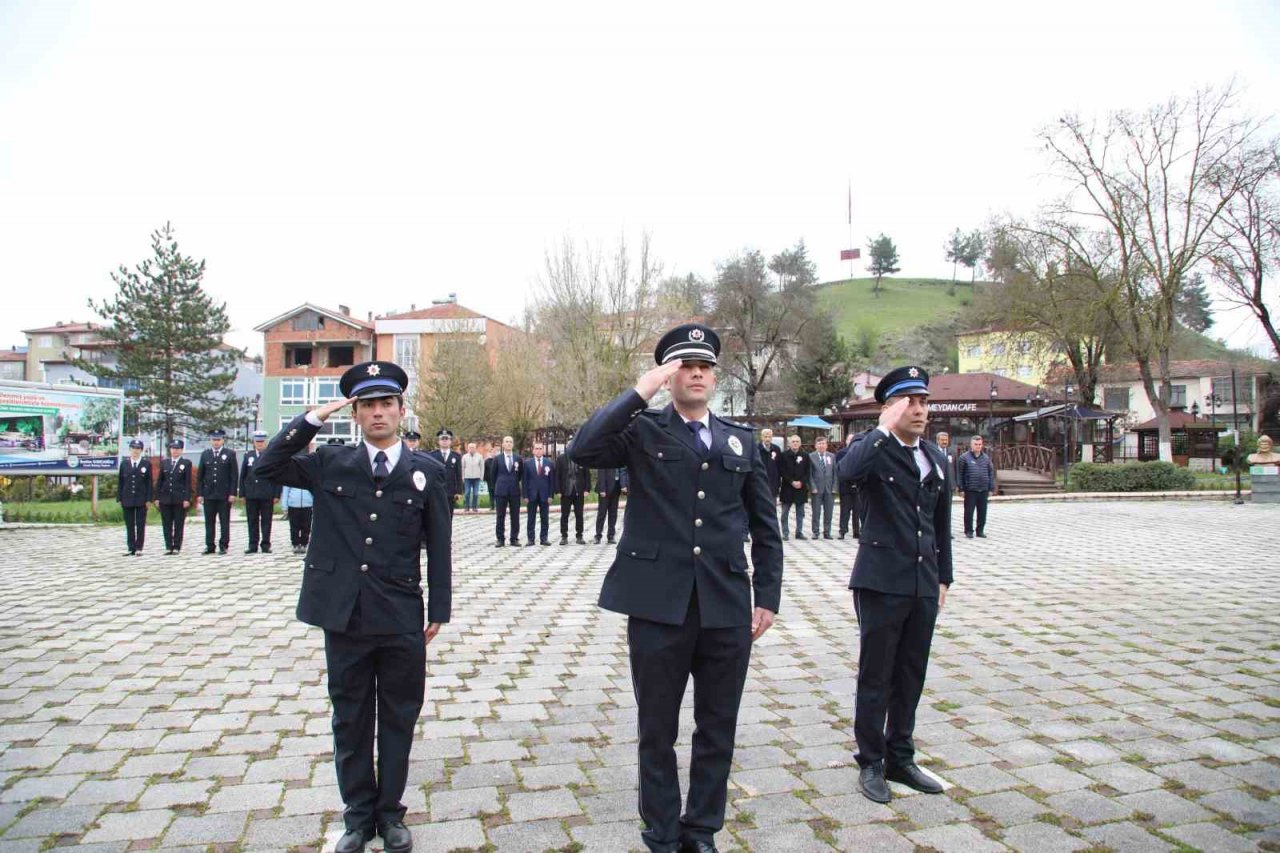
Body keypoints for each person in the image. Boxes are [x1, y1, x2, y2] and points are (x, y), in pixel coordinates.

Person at [570, 322, 783, 853]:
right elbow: (584, 448)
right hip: (657, 603)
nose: (696, 374)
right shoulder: (643, 430)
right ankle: (661, 831)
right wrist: (640, 390)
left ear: (715, 375)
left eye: (704, 366)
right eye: (684, 366)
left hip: (726, 604)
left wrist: (768, 597)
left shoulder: (742, 440)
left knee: (718, 726)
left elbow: (765, 526)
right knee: (657, 728)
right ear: (670, 376)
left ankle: (702, 828)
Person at [254, 360, 451, 853]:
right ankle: (357, 818)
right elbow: (268, 465)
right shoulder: (330, 464)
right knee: (350, 719)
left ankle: (391, 814)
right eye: (368, 405)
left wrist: (439, 609)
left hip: (402, 614)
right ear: (356, 414)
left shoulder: (427, 470)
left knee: (399, 716)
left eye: (387, 403)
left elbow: (441, 545)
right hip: (344, 614)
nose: (378, 413)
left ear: (401, 410)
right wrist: (313, 418)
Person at [837, 365, 952, 805]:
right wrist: (882, 430)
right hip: (881, 580)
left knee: (911, 671)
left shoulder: (936, 458)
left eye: (924, 402)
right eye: (910, 402)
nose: (920, 410)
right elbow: (846, 474)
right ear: (890, 407)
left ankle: (900, 756)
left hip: (923, 581)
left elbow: (941, 525)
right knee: (877, 673)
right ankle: (870, 760)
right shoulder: (873, 449)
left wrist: (944, 576)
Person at [240, 430, 282, 553]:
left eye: (262, 441)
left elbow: (277, 476)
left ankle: (265, 545)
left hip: (266, 493)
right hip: (251, 494)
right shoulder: (248, 456)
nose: (259, 444)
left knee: (266, 521)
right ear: (254, 442)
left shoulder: (271, 455)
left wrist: (276, 494)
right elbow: (243, 476)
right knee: (252, 520)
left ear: (266, 442)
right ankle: (252, 545)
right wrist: (242, 493)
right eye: (257, 441)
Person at [197, 428, 238, 554]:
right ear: (210, 441)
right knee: (209, 522)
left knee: (224, 521)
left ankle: (223, 545)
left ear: (223, 440)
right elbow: (200, 476)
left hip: (224, 494)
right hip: (209, 494)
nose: (216, 442)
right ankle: (210, 545)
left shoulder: (230, 454)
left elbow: (233, 476)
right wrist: (200, 493)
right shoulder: (205, 454)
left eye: (218, 440)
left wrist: (232, 493)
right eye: (214, 440)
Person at [155, 439, 193, 554]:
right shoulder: (165, 463)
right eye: (173, 448)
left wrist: (187, 498)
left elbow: (187, 482)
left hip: (179, 498)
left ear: (181, 450)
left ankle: (176, 546)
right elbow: (160, 481)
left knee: (178, 523)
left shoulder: (186, 463)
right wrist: (157, 497)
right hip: (165, 498)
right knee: (166, 523)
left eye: (177, 449)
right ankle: (168, 546)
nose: (175, 451)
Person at [117, 438, 152, 556]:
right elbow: (121, 482)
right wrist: (119, 498)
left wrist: (148, 499)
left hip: (141, 498)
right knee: (129, 524)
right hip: (127, 498)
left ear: (141, 450)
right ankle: (131, 547)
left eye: (138, 448)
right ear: (130, 449)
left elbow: (149, 483)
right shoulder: (124, 464)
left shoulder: (146, 464)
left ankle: (139, 547)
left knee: (140, 524)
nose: (135, 451)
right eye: (133, 448)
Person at [957, 435, 997, 539]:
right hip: (970, 489)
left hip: (983, 489)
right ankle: (968, 531)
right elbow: (960, 474)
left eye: (980, 444)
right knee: (969, 512)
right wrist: (961, 488)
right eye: (976, 444)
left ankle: (980, 531)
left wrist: (991, 488)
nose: (978, 446)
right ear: (971, 444)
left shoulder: (986, 458)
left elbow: (991, 473)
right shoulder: (964, 458)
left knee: (982, 511)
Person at [556, 439, 592, 544]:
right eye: (569, 444)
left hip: (579, 490)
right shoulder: (560, 459)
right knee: (564, 515)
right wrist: (558, 490)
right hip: (566, 491)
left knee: (579, 514)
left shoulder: (581, 458)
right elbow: (557, 475)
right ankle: (564, 536)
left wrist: (587, 489)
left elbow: (587, 475)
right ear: (566, 446)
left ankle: (579, 536)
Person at [522, 440, 556, 546]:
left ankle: (544, 538)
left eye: (540, 448)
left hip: (545, 495)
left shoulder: (549, 463)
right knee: (531, 518)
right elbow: (524, 481)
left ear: (543, 450)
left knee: (544, 518)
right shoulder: (527, 463)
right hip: (531, 495)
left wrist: (551, 495)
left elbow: (552, 481)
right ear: (533, 450)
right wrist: (525, 495)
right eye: (536, 448)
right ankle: (530, 539)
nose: (538, 450)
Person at [490, 436, 522, 547]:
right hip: (501, 492)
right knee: (500, 516)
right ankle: (500, 539)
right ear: (503, 444)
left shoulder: (518, 458)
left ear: (513, 444)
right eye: (506, 442)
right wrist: (496, 489)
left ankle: (514, 539)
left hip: (514, 491)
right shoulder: (497, 459)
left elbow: (520, 475)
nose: (508, 443)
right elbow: (493, 476)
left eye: (510, 442)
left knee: (515, 516)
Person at [777, 435, 810, 540]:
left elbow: (808, 471)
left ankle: (799, 532)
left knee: (800, 513)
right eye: (793, 441)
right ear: (789, 444)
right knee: (784, 513)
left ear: (800, 443)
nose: (795, 443)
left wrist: (801, 482)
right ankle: (785, 533)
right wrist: (791, 481)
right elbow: (781, 470)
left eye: (797, 441)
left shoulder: (805, 455)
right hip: (787, 487)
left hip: (801, 487)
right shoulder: (783, 455)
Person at [426, 429, 463, 516]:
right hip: (436, 490)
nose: (445, 441)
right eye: (442, 439)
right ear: (439, 441)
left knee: (449, 515)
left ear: (450, 441)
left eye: (447, 439)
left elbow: (458, 474)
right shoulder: (432, 455)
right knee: (436, 515)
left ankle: (448, 530)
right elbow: (430, 474)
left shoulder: (456, 456)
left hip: (450, 491)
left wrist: (459, 491)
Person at [808, 435, 836, 540]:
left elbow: (835, 473)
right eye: (819, 444)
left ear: (826, 445)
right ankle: (815, 532)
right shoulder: (811, 456)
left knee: (829, 512)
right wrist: (812, 487)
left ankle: (827, 532)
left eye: (823, 443)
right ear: (815, 445)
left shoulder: (832, 456)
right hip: (817, 489)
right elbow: (809, 474)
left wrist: (835, 487)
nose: (821, 445)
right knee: (816, 512)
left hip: (829, 488)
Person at [835, 433, 861, 540]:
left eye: (853, 439)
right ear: (846, 441)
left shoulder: (860, 452)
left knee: (857, 511)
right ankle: (842, 531)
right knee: (845, 510)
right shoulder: (841, 453)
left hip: (858, 486)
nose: (851, 441)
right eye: (849, 439)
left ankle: (857, 531)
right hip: (845, 486)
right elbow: (839, 469)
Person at [281, 472, 314, 555]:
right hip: (293, 505)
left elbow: (314, 490)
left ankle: (304, 544)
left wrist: (315, 503)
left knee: (306, 526)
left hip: (307, 504)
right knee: (294, 526)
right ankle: (295, 544)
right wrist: (284, 506)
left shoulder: (309, 475)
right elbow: (285, 492)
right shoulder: (290, 476)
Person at [594, 465, 628, 544]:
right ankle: (598, 536)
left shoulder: (619, 457)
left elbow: (622, 471)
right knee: (602, 513)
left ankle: (611, 536)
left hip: (616, 488)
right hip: (605, 489)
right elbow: (601, 473)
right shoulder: (605, 456)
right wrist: (602, 489)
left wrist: (623, 485)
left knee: (613, 513)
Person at [757, 428, 781, 502]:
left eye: (769, 437)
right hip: (759, 483)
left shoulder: (776, 449)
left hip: (773, 484)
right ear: (762, 437)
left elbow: (779, 467)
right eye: (765, 436)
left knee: (772, 507)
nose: (767, 439)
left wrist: (778, 483)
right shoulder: (756, 448)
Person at [461, 442, 484, 513]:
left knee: (475, 493)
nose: (471, 449)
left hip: (476, 478)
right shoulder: (464, 457)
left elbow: (482, 467)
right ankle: (466, 507)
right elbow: (462, 467)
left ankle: (475, 507)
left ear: (475, 448)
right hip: (467, 477)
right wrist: (462, 476)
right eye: (470, 447)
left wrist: (481, 476)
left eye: (473, 447)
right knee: (467, 493)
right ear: (468, 448)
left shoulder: (479, 456)